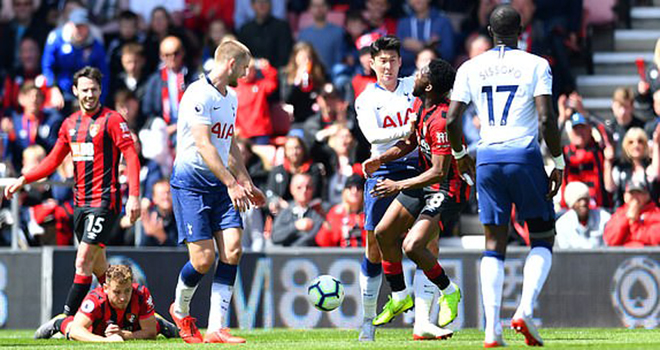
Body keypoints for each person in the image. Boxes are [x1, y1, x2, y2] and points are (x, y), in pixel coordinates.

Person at [445, 5, 563, 347]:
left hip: (487, 157)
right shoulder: (536, 64)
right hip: (523, 155)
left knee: (493, 243)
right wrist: (556, 158)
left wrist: (459, 155)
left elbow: (453, 121)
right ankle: (524, 310)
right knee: (542, 237)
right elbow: (545, 119)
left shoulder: (470, 66)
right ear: (521, 30)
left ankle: (491, 329)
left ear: (490, 30)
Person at [4, 67, 141, 320]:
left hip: (104, 201)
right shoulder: (69, 124)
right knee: (101, 270)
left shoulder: (112, 120)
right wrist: (24, 179)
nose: (90, 94)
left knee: (82, 260)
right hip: (80, 204)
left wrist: (133, 196)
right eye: (85, 90)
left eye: (94, 89)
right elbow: (53, 160)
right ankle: (132, 314)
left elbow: (132, 157)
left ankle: (64, 319)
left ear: (101, 90)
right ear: (76, 91)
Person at [168, 40, 266, 344]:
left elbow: (227, 142)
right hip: (191, 184)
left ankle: (216, 327)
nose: (248, 73)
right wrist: (231, 183)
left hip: (222, 185)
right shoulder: (198, 94)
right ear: (231, 64)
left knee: (233, 249)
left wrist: (245, 180)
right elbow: (204, 144)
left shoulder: (231, 97)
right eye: (245, 67)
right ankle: (180, 308)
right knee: (202, 260)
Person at [363, 58, 468, 340]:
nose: (416, 74)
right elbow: (410, 142)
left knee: (412, 245)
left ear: (430, 85)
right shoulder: (420, 105)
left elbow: (439, 172)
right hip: (425, 180)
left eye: (422, 73)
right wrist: (380, 158)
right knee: (384, 233)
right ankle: (399, 295)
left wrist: (397, 185)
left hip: (447, 188)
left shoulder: (442, 121)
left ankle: (449, 290)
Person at [353, 35, 421, 342]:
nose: (388, 66)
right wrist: (408, 128)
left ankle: (423, 321)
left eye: (393, 60)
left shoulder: (414, 88)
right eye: (382, 61)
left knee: (425, 244)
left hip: (416, 170)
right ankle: (368, 319)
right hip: (381, 171)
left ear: (400, 62)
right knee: (373, 246)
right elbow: (373, 135)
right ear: (372, 64)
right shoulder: (366, 98)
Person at [34, 265, 178, 341]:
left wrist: (123, 335)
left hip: (128, 327)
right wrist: (105, 341)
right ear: (105, 288)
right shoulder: (95, 299)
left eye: (127, 291)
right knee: (71, 327)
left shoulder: (140, 293)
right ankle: (58, 323)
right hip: (98, 329)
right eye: (117, 292)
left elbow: (150, 333)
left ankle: (163, 323)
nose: (123, 297)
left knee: (155, 326)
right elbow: (77, 331)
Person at [271, 173, 324, 246]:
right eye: (299, 187)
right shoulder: (286, 212)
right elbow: (275, 237)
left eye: (308, 187)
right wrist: (296, 226)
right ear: (291, 189)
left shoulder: (318, 211)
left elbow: (313, 237)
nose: (304, 191)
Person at [604, 179, 660, 247]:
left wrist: (634, 223)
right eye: (631, 193)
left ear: (647, 196)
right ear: (625, 197)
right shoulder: (619, 214)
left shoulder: (656, 213)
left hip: (648, 255)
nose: (635, 197)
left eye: (639, 193)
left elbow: (655, 239)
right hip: (622, 255)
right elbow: (610, 240)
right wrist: (627, 218)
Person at [316, 175, 366, 247]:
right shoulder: (336, 213)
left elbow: (372, 243)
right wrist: (328, 229)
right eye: (350, 187)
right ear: (344, 192)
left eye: (358, 188)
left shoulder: (368, 214)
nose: (354, 191)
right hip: (340, 255)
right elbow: (323, 243)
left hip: (363, 254)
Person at [555, 181, 610, 249]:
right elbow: (564, 252)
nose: (583, 203)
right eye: (579, 200)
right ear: (572, 205)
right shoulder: (562, 224)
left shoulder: (603, 218)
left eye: (585, 199)